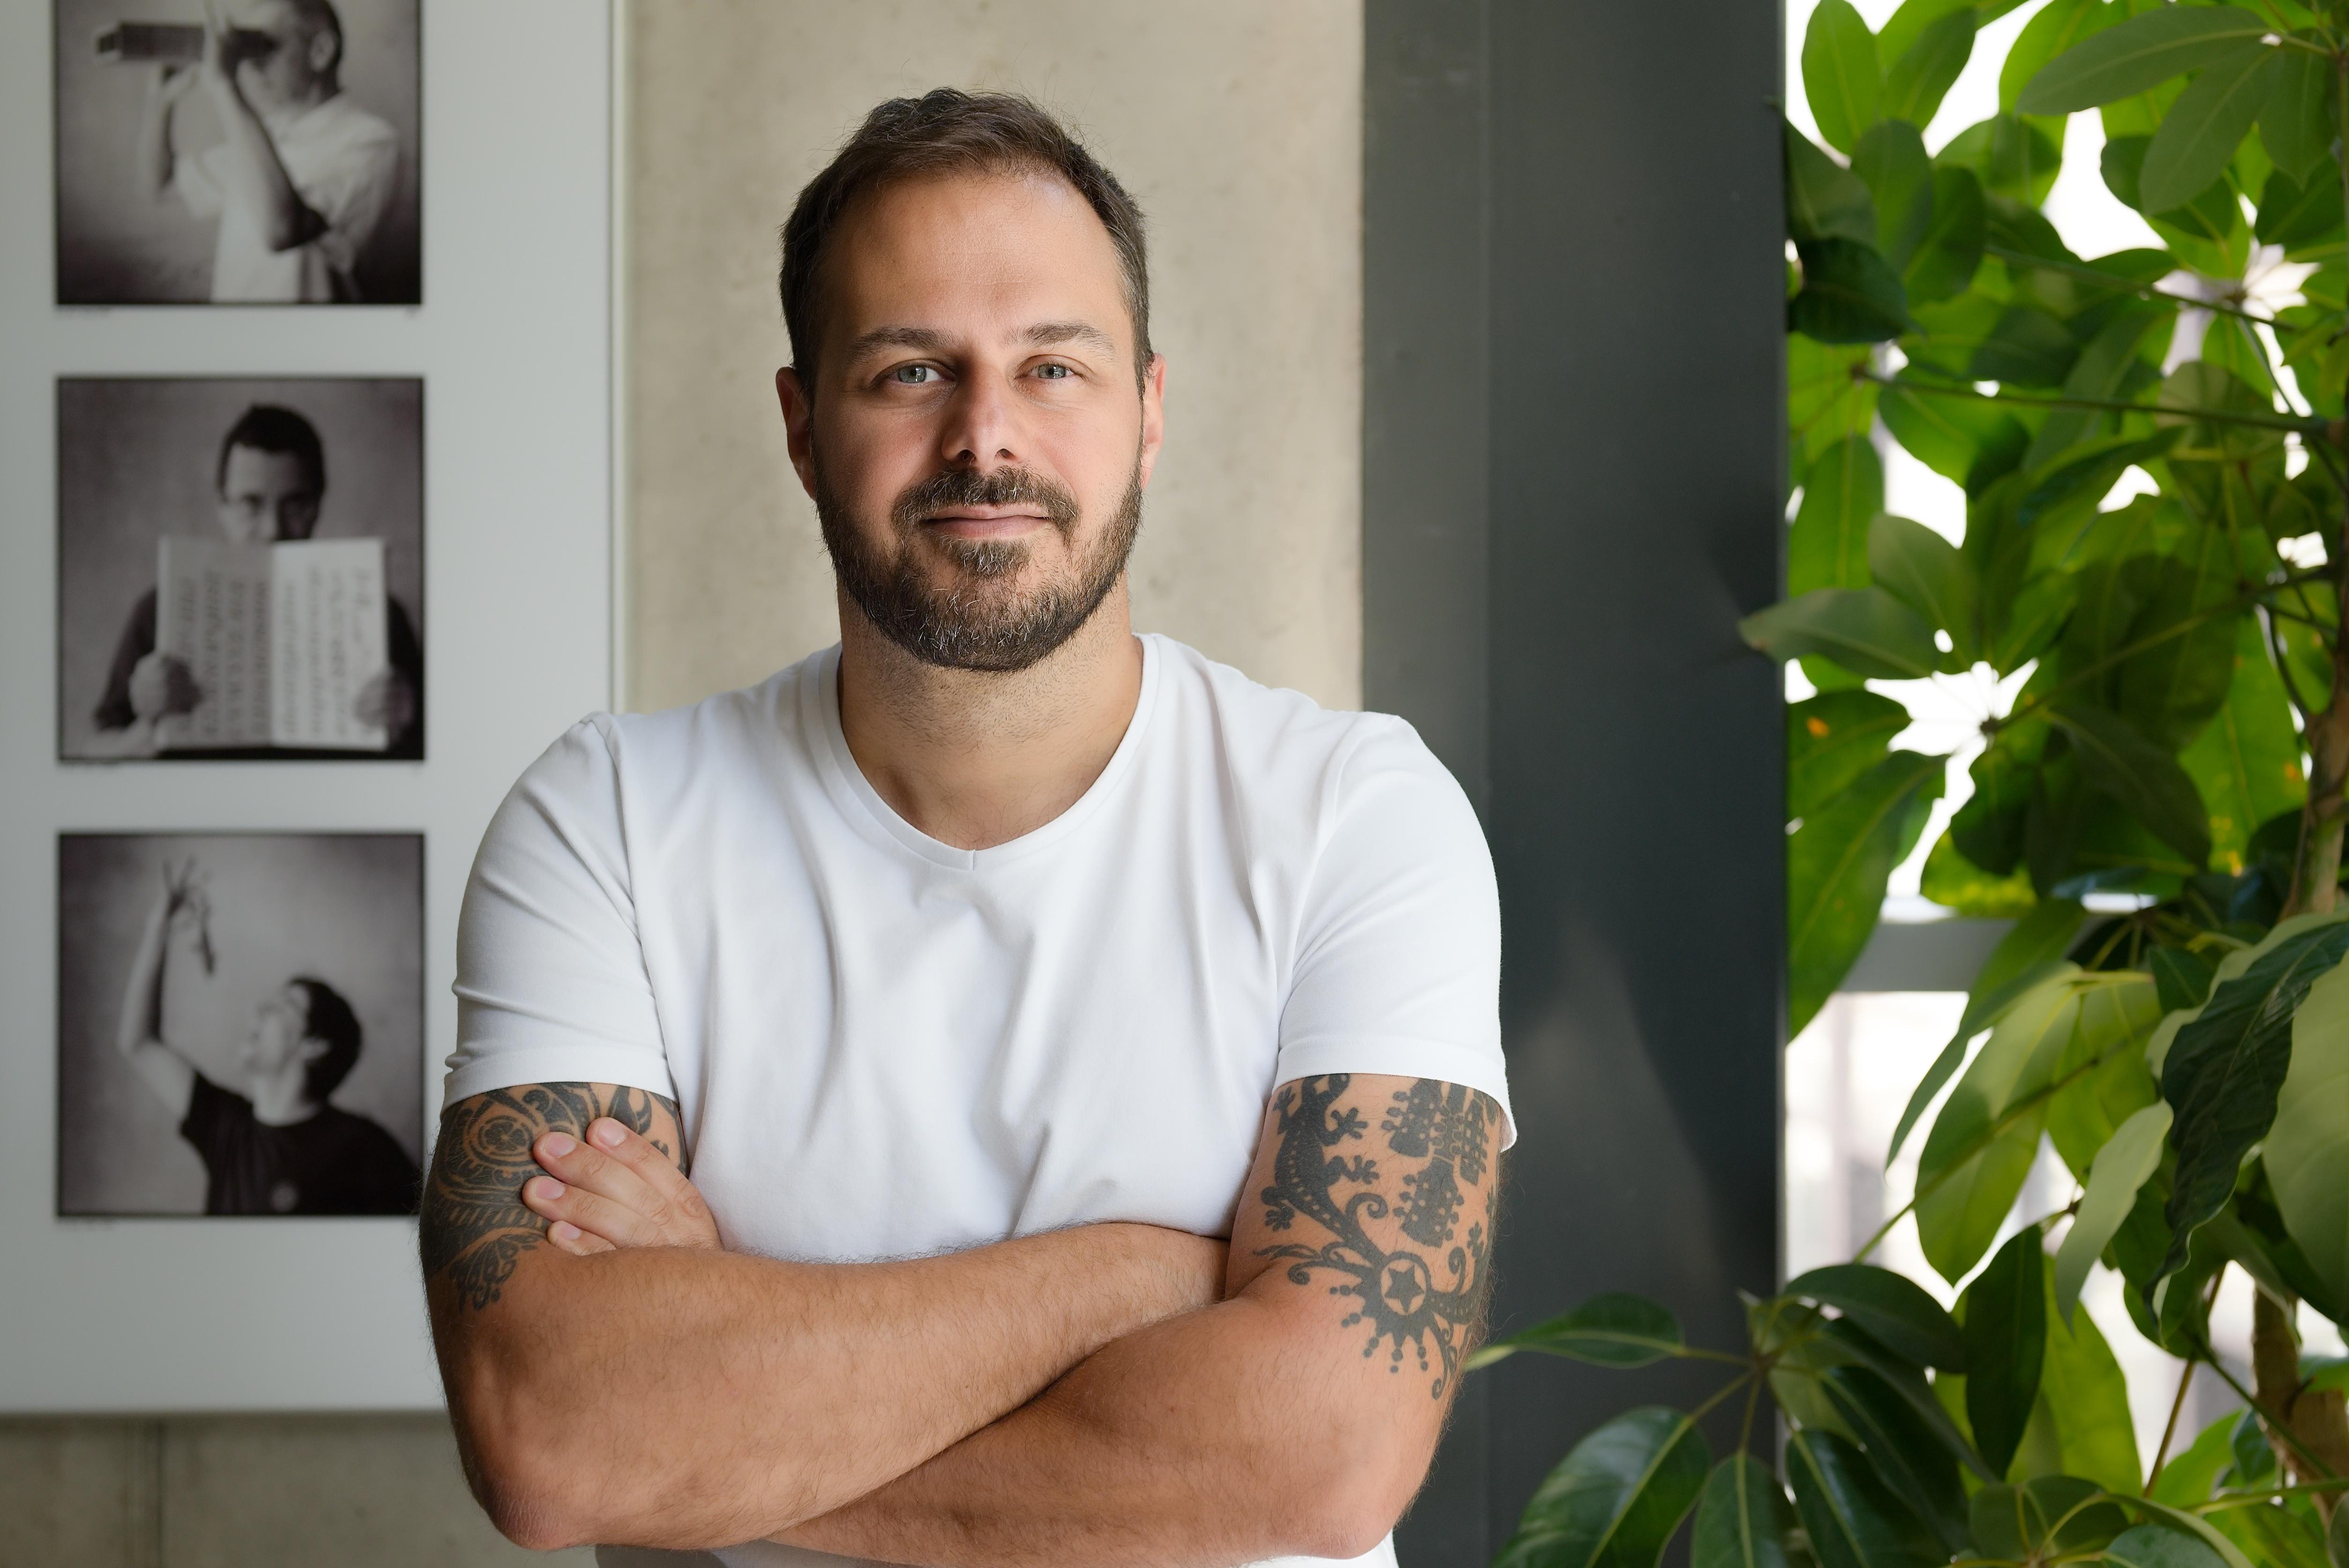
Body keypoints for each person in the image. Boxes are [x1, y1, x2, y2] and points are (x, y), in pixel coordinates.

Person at [425, 90, 1509, 1567]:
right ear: (802, 426)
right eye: (910, 370)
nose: (984, 436)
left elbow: (1327, 1454)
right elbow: (553, 1439)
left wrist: (715, 1418)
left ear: (1148, 411)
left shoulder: (1354, 818)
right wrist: (1133, 1280)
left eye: (1053, 366)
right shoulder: (607, 823)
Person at [87, 401, 423, 759]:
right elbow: (93, 754)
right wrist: (148, 728)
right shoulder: (157, 611)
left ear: (318, 505)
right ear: (222, 506)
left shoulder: (383, 616)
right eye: (250, 504)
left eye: (295, 505)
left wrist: (409, 717)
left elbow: (443, 767)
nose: (272, 529)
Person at [114, 859, 420, 1216]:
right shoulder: (226, 1127)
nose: (259, 1009)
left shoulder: (363, 1148)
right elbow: (138, 1043)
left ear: (314, 1045)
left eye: (282, 1006)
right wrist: (158, 926)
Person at [134, 0, 400, 303]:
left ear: (320, 51)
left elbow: (282, 231)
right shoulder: (264, 135)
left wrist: (224, 86)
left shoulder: (372, 140)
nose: (250, 65)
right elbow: (161, 184)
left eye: (266, 46)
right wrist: (160, 102)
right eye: (247, 48)